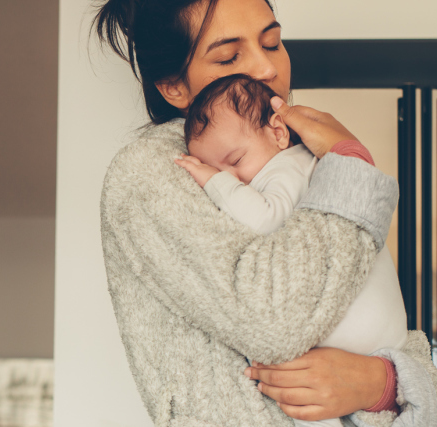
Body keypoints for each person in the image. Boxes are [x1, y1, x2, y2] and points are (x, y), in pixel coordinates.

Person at [92, 0, 437, 426]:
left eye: (273, 43)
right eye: (229, 56)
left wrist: (382, 383)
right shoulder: (153, 172)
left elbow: (394, 333)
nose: (266, 69)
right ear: (173, 87)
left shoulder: (297, 153)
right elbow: (275, 323)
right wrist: (349, 164)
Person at [174, 74, 411, 427]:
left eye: (236, 160)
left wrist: (214, 181)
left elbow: (268, 219)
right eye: (219, 168)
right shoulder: (273, 164)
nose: (235, 178)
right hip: (375, 342)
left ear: (278, 132)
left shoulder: (291, 165)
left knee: (291, 388)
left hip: (361, 334)